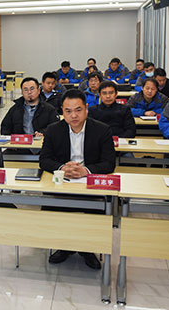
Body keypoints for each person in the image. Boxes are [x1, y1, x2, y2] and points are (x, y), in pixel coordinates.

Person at [40, 89, 115, 269]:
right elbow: (44, 160)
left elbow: (109, 163)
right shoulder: (53, 130)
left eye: (78, 110)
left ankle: (88, 249)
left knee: (95, 208)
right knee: (53, 205)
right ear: (62, 111)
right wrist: (62, 168)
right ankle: (64, 246)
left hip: (89, 184)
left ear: (86, 108)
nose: (73, 115)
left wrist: (85, 171)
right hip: (63, 183)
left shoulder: (102, 130)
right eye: (68, 111)